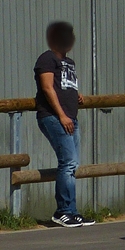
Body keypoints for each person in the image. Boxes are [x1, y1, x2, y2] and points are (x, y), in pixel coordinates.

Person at [34, 22, 93, 228]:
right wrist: (62, 115)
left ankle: (72, 212)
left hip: (70, 117)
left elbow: (63, 85)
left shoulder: (69, 62)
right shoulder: (46, 58)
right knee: (67, 162)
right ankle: (63, 211)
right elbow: (48, 88)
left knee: (73, 165)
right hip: (54, 117)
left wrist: (76, 95)